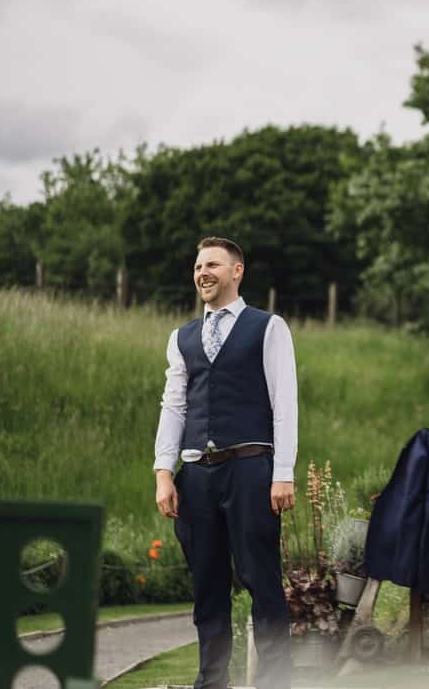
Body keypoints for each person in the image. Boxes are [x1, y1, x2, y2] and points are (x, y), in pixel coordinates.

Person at [152, 236, 297, 689]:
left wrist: (283, 472)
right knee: (207, 589)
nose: (202, 273)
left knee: (263, 583)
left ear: (237, 271)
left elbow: (285, 403)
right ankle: (211, 682)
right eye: (198, 266)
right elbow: (173, 407)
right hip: (195, 475)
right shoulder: (182, 338)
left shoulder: (268, 327)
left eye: (212, 264)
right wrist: (163, 473)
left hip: (251, 470)